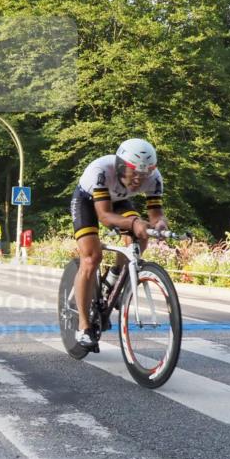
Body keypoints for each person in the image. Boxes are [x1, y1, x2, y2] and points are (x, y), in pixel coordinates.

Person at [71, 138, 168, 351]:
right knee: (91, 257)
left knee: (141, 236)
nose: (139, 180)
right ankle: (84, 326)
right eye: (134, 173)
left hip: (120, 200)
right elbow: (105, 216)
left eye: (145, 174)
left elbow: (155, 214)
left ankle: (115, 276)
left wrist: (159, 223)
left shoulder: (154, 178)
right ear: (121, 166)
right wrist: (135, 222)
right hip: (88, 201)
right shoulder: (101, 170)